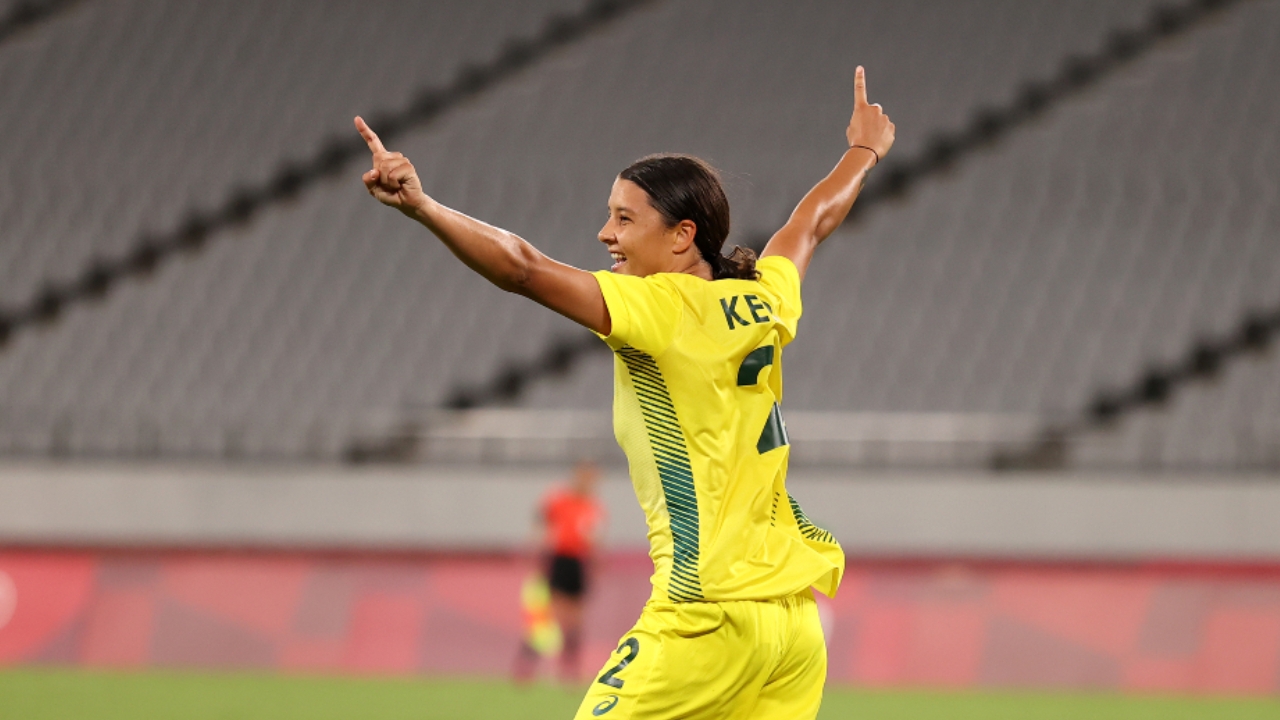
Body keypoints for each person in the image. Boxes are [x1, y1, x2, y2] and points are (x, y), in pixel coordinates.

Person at [356, 65, 894, 719]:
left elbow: (523, 269)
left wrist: (424, 207)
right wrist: (863, 151)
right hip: (794, 628)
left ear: (682, 235)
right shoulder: (763, 297)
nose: (605, 234)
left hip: (706, 617)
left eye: (623, 218)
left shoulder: (659, 308)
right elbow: (807, 226)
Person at [513, 461, 605, 683]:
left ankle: (570, 669)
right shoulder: (560, 499)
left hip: (578, 564)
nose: (589, 483)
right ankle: (526, 665)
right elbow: (541, 519)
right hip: (560, 560)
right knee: (552, 618)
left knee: (576, 621)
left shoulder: (592, 506)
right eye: (585, 477)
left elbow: (593, 539)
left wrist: (596, 562)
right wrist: (536, 546)